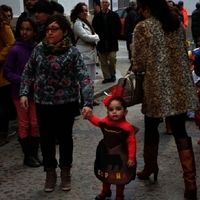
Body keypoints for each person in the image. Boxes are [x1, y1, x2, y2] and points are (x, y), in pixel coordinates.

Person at [131, 0, 199, 199]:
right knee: (180, 130)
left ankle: (150, 167)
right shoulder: (175, 22)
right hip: (180, 85)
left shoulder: (143, 27)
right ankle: (190, 183)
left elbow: (138, 62)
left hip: (156, 86)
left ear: (147, 8)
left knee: (151, 126)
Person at [19, 14, 93, 192]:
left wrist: (88, 101)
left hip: (67, 103)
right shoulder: (39, 50)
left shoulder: (73, 52)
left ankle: (65, 171)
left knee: (65, 138)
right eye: (48, 29)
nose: (49, 32)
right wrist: (23, 93)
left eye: (54, 29)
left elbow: (84, 78)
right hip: (43, 103)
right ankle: (50, 172)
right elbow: (28, 72)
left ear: (65, 31)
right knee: (46, 139)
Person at [83, 85, 136, 200]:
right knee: (105, 173)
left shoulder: (127, 127)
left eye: (118, 109)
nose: (114, 112)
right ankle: (105, 191)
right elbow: (97, 121)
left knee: (120, 176)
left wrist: (131, 158)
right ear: (107, 112)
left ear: (125, 112)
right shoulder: (106, 121)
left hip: (121, 155)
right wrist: (89, 116)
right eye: (111, 110)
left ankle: (119, 195)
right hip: (106, 152)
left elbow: (132, 143)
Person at [3, 17, 42, 167]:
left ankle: (35, 152)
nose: (25, 32)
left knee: (36, 123)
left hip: (36, 92)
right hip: (19, 93)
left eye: (29, 29)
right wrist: (23, 80)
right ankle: (27, 155)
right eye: (22, 29)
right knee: (24, 124)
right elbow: (7, 72)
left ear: (34, 31)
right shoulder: (15, 50)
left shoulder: (37, 48)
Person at [70, 2, 100, 106]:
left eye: (86, 10)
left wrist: (94, 37)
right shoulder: (77, 24)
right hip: (83, 54)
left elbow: (90, 35)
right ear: (77, 13)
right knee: (85, 79)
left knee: (91, 78)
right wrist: (97, 37)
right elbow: (86, 37)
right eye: (82, 11)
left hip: (91, 54)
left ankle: (90, 99)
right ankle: (85, 101)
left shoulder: (86, 22)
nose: (84, 13)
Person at [92, 0, 121, 84]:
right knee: (103, 61)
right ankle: (107, 77)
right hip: (101, 41)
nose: (104, 4)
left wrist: (115, 35)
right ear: (101, 4)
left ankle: (113, 74)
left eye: (106, 2)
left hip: (112, 41)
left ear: (109, 4)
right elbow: (94, 28)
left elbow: (118, 26)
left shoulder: (114, 15)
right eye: (103, 2)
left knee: (112, 58)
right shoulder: (97, 16)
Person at [0, 7, 15, 147]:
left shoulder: (4, 28)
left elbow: (11, 44)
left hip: (1, 74)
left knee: (2, 105)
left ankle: (3, 133)